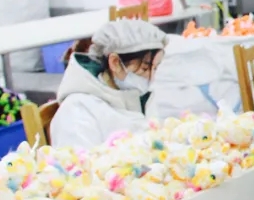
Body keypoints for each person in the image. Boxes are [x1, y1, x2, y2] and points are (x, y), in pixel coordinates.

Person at [50, 19, 167, 149]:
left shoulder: (138, 96)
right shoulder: (78, 111)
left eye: (155, 68)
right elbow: (78, 160)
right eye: (144, 69)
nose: (151, 78)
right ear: (115, 62)